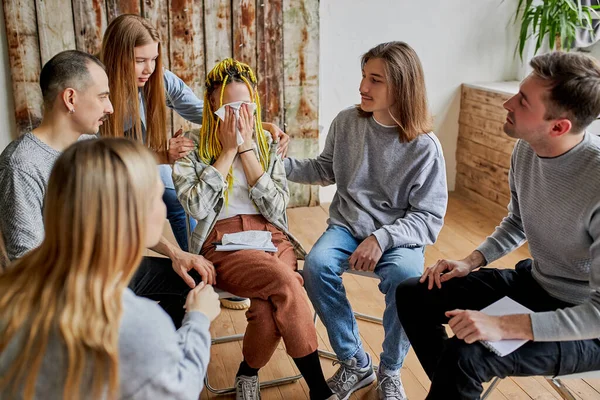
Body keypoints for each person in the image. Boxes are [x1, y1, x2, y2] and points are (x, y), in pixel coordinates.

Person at [396, 51, 600, 400]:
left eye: (522, 101)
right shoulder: (526, 149)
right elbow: (517, 222)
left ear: (559, 126)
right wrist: (470, 262)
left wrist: (501, 325)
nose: (507, 102)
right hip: (537, 284)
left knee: (465, 357)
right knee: (413, 294)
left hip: (584, 324)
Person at [284, 41, 448, 400]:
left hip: (399, 238)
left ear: (402, 87)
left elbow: (428, 216)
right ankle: (355, 362)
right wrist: (272, 165)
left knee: (406, 281)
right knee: (315, 266)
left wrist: (382, 239)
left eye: (375, 80)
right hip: (346, 226)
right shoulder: (347, 122)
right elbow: (324, 169)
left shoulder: (425, 147)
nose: (362, 87)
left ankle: (389, 369)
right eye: (363, 76)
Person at [0, 50, 209, 328]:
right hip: (71, 300)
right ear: (70, 98)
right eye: (102, 97)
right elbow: (27, 266)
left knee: (192, 284)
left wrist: (175, 253)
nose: (110, 108)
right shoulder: (22, 165)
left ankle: (157, 365)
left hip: (105, 272)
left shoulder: (86, 142)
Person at [0, 138, 221, 400]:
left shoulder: (13, 294)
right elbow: (183, 390)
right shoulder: (133, 323)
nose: (163, 207)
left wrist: (176, 253)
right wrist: (198, 319)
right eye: (157, 196)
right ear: (133, 216)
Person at [99, 14, 290, 310]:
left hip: (148, 165)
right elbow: (104, 161)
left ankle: (197, 265)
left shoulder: (158, 79)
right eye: (139, 60)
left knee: (177, 200)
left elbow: (207, 111)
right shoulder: (98, 90)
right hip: (111, 177)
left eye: (153, 58)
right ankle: (166, 272)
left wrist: (254, 123)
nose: (149, 68)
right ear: (116, 56)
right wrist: (161, 155)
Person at [173, 58, 337, 400]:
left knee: (266, 309)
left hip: (271, 237)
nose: (239, 116)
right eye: (229, 107)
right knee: (285, 282)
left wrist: (247, 149)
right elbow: (197, 207)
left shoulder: (265, 142)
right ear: (212, 105)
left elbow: (278, 207)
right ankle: (320, 391)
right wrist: (227, 151)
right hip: (222, 243)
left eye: (245, 106)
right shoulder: (191, 148)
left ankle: (247, 373)